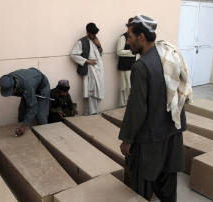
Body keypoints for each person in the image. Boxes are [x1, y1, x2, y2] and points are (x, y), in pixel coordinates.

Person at [118, 15, 192, 202]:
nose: (127, 41)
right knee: (168, 184)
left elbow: (137, 109)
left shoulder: (141, 66)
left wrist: (126, 139)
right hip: (172, 133)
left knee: (142, 184)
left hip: (151, 140)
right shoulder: (168, 54)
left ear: (141, 37)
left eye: (129, 36)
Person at [0, 67, 50, 136]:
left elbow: (33, 107)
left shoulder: (27, 85)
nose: (11, 94)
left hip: (42, 86)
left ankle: (45, 136)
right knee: (22, 111)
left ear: (15, 86)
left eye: (10, 91)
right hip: (30, 84)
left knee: (41, 115)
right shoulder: (7, 79)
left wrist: (24, 126)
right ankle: (21, 128)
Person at [71, 22, 105, 115]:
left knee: (98, 92)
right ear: (88, 32)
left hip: (99, 70)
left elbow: (100, 54)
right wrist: (87, 61)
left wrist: (99, 45)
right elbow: (73, 55)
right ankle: (92, 113)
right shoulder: (81, 41)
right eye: (93, 34)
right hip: (90, 70)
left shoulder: (96, 40)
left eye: (95, 34)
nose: (94, 35)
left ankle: (91, 112)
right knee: (92, 92)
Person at [116, 18, 139, 107]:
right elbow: (119, 51)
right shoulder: (123, 37)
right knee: (125, 87)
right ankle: (123, 106)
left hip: (134, 66)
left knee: (132, 87)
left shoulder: (137, 37)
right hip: (125, 67)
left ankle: (129, 105)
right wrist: (132, 52)